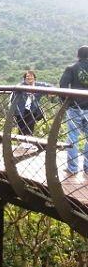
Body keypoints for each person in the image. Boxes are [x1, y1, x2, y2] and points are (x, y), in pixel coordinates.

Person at [59, 46, 88, 175]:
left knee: (72, 137)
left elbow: (63, 86)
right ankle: (87, 168)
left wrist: (66, 102)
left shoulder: (71, 68)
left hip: (75, 107)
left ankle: (72, 168)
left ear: (78, 55)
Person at [10, 71, 51, 138]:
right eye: (27, 76)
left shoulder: (38, 85)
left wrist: (50, 92)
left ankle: (28, 143)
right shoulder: (21, 85)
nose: (29, 77)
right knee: (21, 127)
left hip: (32, 109)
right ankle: (22, 143)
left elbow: (49, 86)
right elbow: (15, 90)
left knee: (30, 127)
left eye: (31, 76)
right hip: (21, 110)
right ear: (25, 78)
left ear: (34, 77)